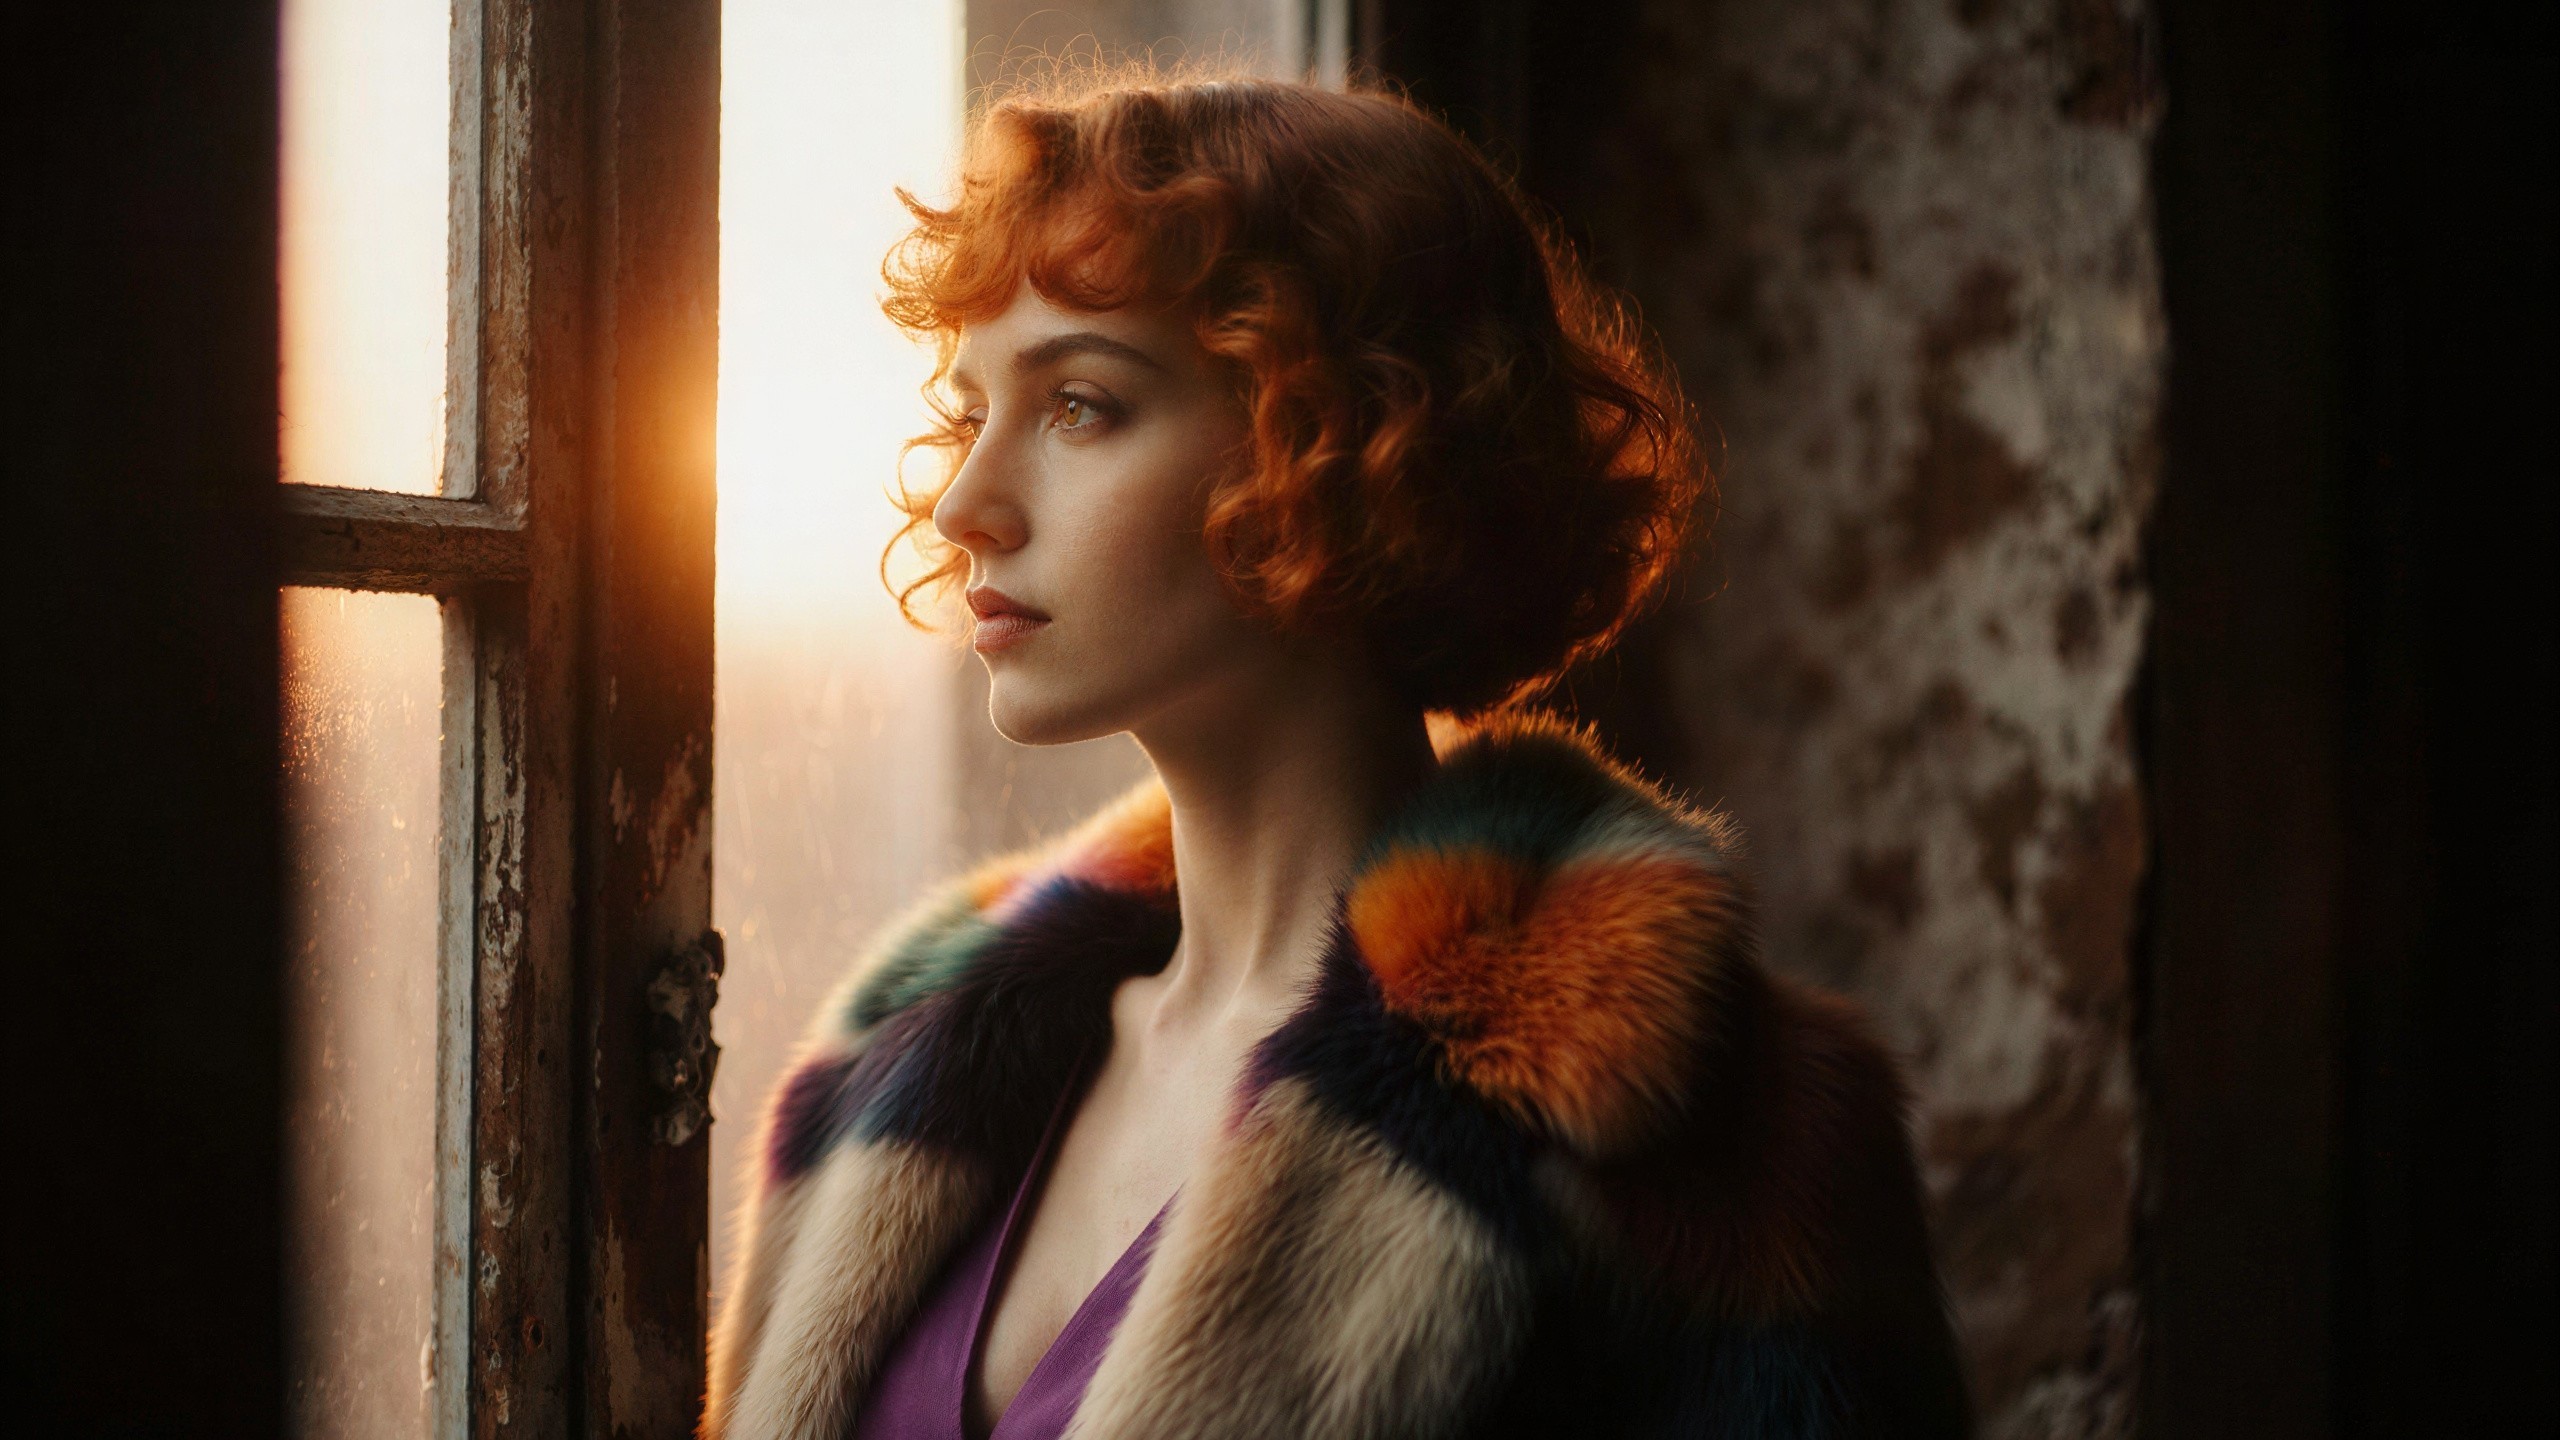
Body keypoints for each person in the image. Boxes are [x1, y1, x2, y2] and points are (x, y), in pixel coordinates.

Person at [705, 69, 1967, 1440]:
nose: (964, 504)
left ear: (1355, 436)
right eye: (968, 414)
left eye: (1080, 404)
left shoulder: (1700, 1131)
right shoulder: (896, 1057)